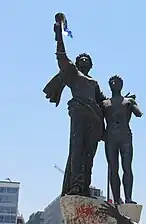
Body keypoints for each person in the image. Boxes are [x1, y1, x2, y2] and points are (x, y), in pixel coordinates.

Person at [43, 13, 105, 196]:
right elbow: (61, 56)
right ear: (77, 63)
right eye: (81, 59)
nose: (84, 60)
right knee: (77, 150)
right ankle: (76, 185)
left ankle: (85, 185)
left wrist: (120, 101)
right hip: (79, 114)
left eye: (87, 59)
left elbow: (103, 101)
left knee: (89, 155)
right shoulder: (73, 74)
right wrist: (59, 36)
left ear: (91, 64)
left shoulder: (94, 83)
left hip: (95, 120)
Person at [102, 75, 143, 204]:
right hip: (110, 137)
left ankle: (128, 197)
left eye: (117, 82)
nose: (114, 84)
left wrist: (132, 103)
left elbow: (138, 113)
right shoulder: (104, 103)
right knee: (113, 168)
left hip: (125, 136)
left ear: (121, 85)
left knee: (127, 167)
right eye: (112, 82)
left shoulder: (129, 101)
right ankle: (116, 199)